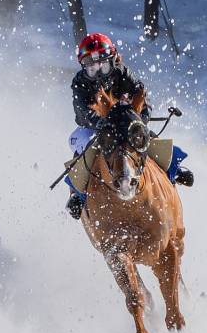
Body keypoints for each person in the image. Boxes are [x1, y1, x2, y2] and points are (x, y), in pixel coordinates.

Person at [65, 32, 193, 219]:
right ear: (83, 67)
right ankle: (77, 193)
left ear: (113, 60)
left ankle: (173, 169)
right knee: (85, 146)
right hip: (92, 127)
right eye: (91, 68)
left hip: (124, 122)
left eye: (103, 65)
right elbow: (82, 110)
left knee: (147, 137)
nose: (99, 72)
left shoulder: (122, 72)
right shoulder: (79, 82)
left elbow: (142, 97)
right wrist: (101, 122)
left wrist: (141, 118)